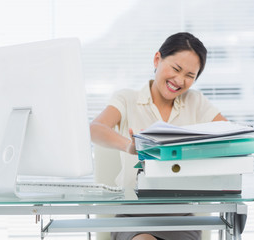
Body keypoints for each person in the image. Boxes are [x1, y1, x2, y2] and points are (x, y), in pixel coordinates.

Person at [90, 32, 227, 240]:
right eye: (176, 69)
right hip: (132, 216)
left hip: (181, 218)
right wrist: (128, 146)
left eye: (190, 76)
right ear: (157, 59)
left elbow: (228, 136)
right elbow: (95, 129)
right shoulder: (127, 99)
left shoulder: (196, 102)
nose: (179, 80)